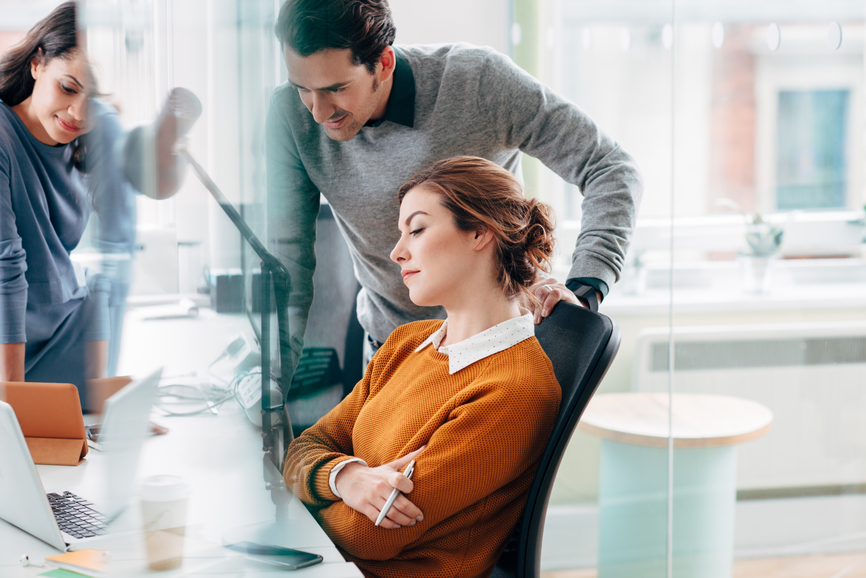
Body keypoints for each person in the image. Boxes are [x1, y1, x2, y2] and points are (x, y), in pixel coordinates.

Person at [267, 0, 643, 377]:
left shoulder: (478, 81)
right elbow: (289, 261)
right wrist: (270, 378)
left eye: (336, 88)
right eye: (302, 88)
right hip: (393, 356)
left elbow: (611, 168)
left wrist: (585, 290)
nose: (317, 112)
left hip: (500, 354)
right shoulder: (290, 116)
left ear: (383, 62)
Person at [283, 156, 562, 578]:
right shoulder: (407, 342)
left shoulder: (515, 389)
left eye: (416, 229)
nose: (397, 252)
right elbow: (303, 446)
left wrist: (313, 482)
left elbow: (367, 535)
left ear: (479, 233)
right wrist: (347, 478)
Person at [0, 2, 185, 407]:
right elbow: (6, 269)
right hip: (6, 343)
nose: (77, 114)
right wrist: (14, 407)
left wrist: (105, 407)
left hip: (62, 327)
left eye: (94, 96)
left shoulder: (97, 127)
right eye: (67, 88)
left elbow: (116, 252)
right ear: (37, 64)